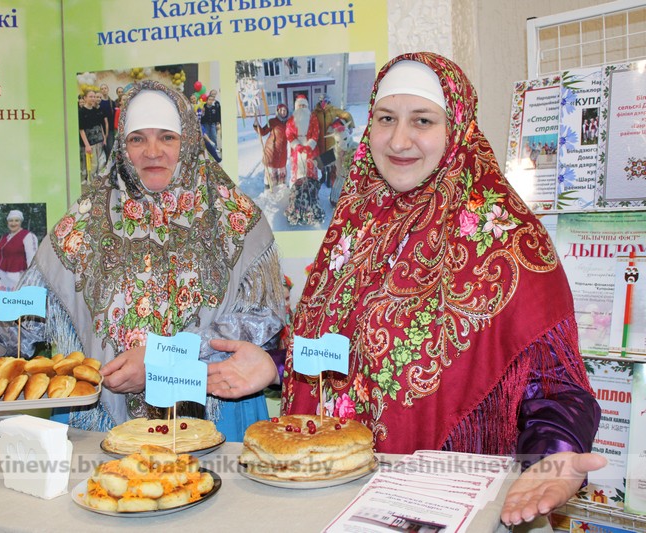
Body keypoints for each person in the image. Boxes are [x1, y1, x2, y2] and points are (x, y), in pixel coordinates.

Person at [205, 52, 605, 526]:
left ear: (457, 129)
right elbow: (347, 351)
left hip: (441, 507)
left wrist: (554, 456)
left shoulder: (508, 240)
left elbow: (557, 389)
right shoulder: (356, 224)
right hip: (328, 498)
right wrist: (275, 364)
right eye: (385, 119)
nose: (398, 140)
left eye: (422, 120)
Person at [0, 80, 286, 442]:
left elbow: (261, 323)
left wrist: (163, 360)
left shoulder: (235, 220)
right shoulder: (82, 224)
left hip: (213, 414)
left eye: (167, 137)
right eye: (137, 138)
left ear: (189, 140)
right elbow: (21, 319)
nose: (152, 151)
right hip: (101, 425)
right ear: (121, 147)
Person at [285, 94, 324, 226]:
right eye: (299, 105)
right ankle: (297, 199)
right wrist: (297, 145)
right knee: (298, 175)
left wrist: (309, 145)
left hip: (310, 149)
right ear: (296, 107)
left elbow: (316, 132)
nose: (302, 108)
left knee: (310, 173)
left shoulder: (313, 118)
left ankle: (312, 197)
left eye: (304, 105)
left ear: (307, 106)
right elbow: (289, 134)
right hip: (297, 151)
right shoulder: (291, 120)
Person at [313, 94, 355, 188]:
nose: (324, 103)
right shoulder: (315, 112)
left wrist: (350, 126)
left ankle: (330, 179)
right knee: (322, 161)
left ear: (328, 101)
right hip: (320, 141)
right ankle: (323, 176)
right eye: (322, 101)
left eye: (326, 101)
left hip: (331, 140)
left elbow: (346, 115)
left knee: (332, 160)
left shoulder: (333, 110)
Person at [0, 210, 38, 291]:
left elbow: (32, 258)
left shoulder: (28, 236)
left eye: (16, 220)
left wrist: (31, 279)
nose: (13, 223)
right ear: (7, 222)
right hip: (0, 275)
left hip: (16, 275)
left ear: (20, 222)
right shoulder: (4, 237)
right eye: (11, 220)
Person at [253, 103, 289, 190]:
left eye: (285, 110)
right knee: (271, 170)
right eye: (281, 110)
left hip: (282, 152)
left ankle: (280, 190)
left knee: (281, 171)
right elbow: (262, 132)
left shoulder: (289, 123)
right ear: (277, 111)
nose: (283, 112)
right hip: (271, 151)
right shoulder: (272, 121)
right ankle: (268, 189)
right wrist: (256, 125)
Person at [79, 88, 108, 185]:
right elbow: (81, 130)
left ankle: (99, 184)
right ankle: (91, 185)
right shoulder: (81, 112)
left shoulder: (96, 110)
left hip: (99, 141)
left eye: (94, 97)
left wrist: (104, 138)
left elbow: (100, 125)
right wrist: (87, 145)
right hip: (90, 143)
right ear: (85, 98)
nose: (93, 98)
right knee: (92, 166)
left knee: (101, 163)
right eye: (90, 96)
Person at [200, 89, 222, 158]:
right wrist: (202, 112)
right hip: (205, 124)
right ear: (206, 100)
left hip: (213, 124)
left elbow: (217, 115)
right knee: (207, 137)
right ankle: (208, 151)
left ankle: (214, 150)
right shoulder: (203, 106)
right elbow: (201, 116)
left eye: (212, 100)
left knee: (214, 136)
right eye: (209, 100)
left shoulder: (214, 107)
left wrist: (218, 123)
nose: (210, 101)